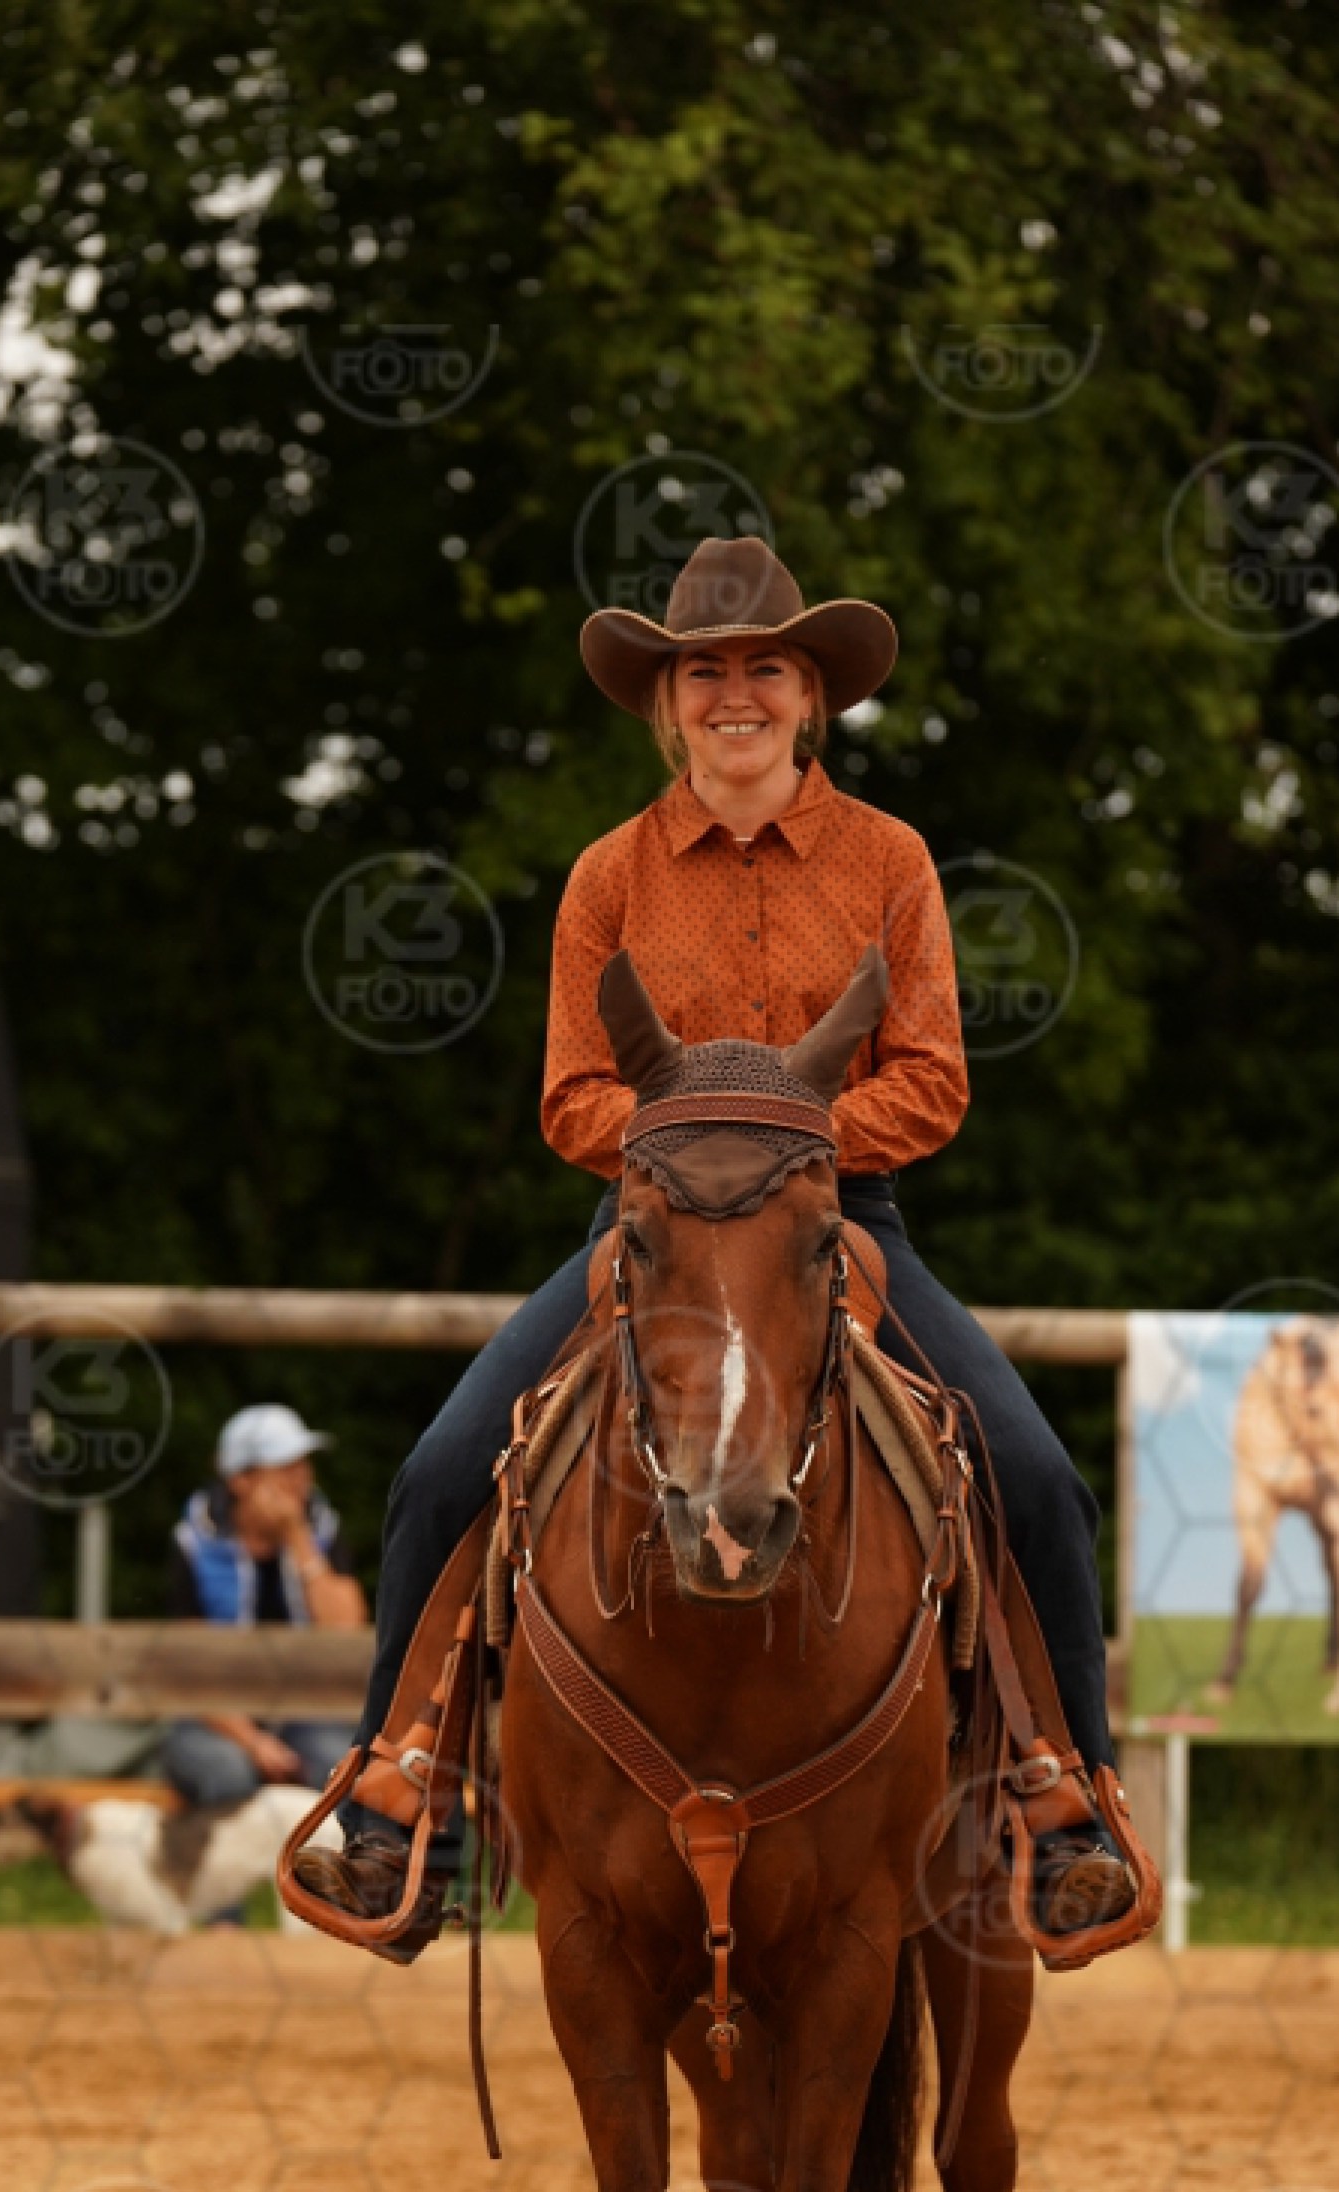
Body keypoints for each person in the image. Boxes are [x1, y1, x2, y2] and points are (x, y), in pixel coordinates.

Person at [309, 533, 1134, 1956]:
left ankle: (1066, 1803)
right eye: (704, 672)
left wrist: (788, 1155)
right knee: (442, 1469)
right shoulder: (608, 876)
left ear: (811, 697)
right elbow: (572, 1095)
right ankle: (404, 1799)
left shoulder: (889, 860)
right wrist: (694, 1165)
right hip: (652, 1236)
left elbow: (932, 1079)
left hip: (839, 1228)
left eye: (765, 668)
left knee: (1040, 1480)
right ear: (667, 701)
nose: (734, 694)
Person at [162, 1402, 368, 1808]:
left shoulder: (320, 1530)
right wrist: (254, 1742)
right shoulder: (192, 1542)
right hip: (217, 1718)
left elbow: (347, 1631)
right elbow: (191, 1671)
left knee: (343, 1768)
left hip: (307, 1713)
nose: (302, 1479)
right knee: (228, 1774)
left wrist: (297, 1536)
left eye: (304, 1465)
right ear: (241, 1480)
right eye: (286, 1468)